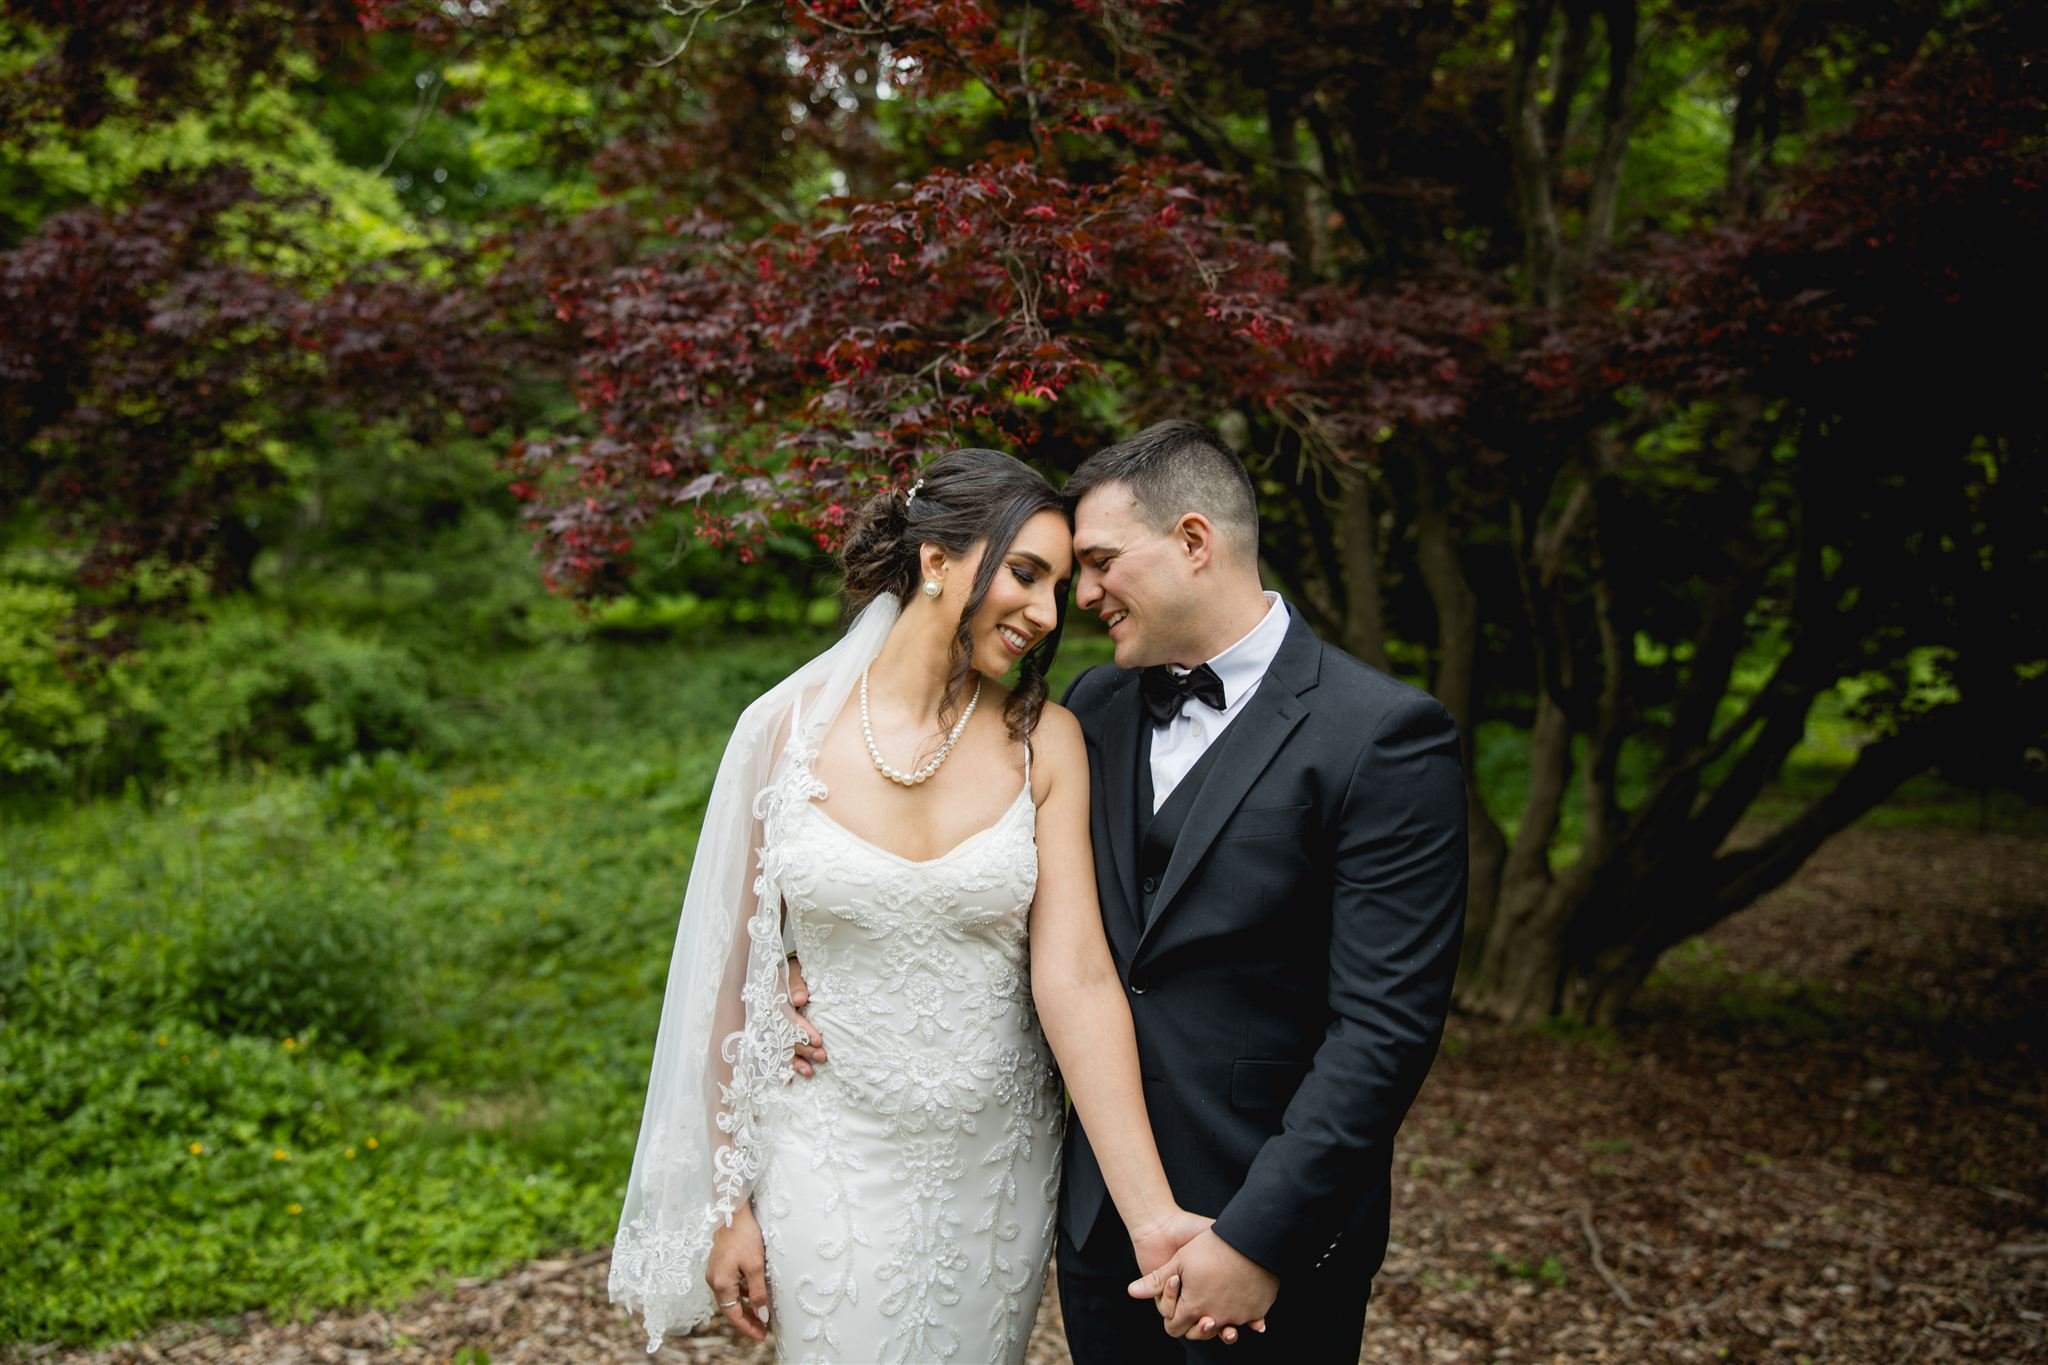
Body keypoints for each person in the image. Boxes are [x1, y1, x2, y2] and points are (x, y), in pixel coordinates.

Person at [608, 448, 1218, 1364]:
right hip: (825, 1147)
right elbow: (723, 979)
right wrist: (726, 1202)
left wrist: (1151, 1211)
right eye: (1025, 574)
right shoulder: (780, 731)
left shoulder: (1044, 742)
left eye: (1059, 586)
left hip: (994, 1161)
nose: (1047, 614)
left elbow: (1079, 975)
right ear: (936, 560)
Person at [1053, 419, 1468, 1362]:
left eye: (1102, 560)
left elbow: (1386, 1028)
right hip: (1102, 1223)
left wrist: (1257, 1237)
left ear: (1194, 541)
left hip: (1270, 1242)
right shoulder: (1092, 708)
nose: (1083, 594)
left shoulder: (1383, 734)